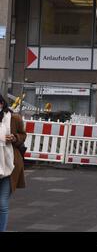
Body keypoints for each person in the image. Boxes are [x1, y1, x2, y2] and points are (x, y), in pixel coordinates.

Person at [0, 94, 26, 232]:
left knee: (2, 203)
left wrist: (14, 137)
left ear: (2, 104)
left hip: (10, 165)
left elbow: (23, 135)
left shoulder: (14, 118)